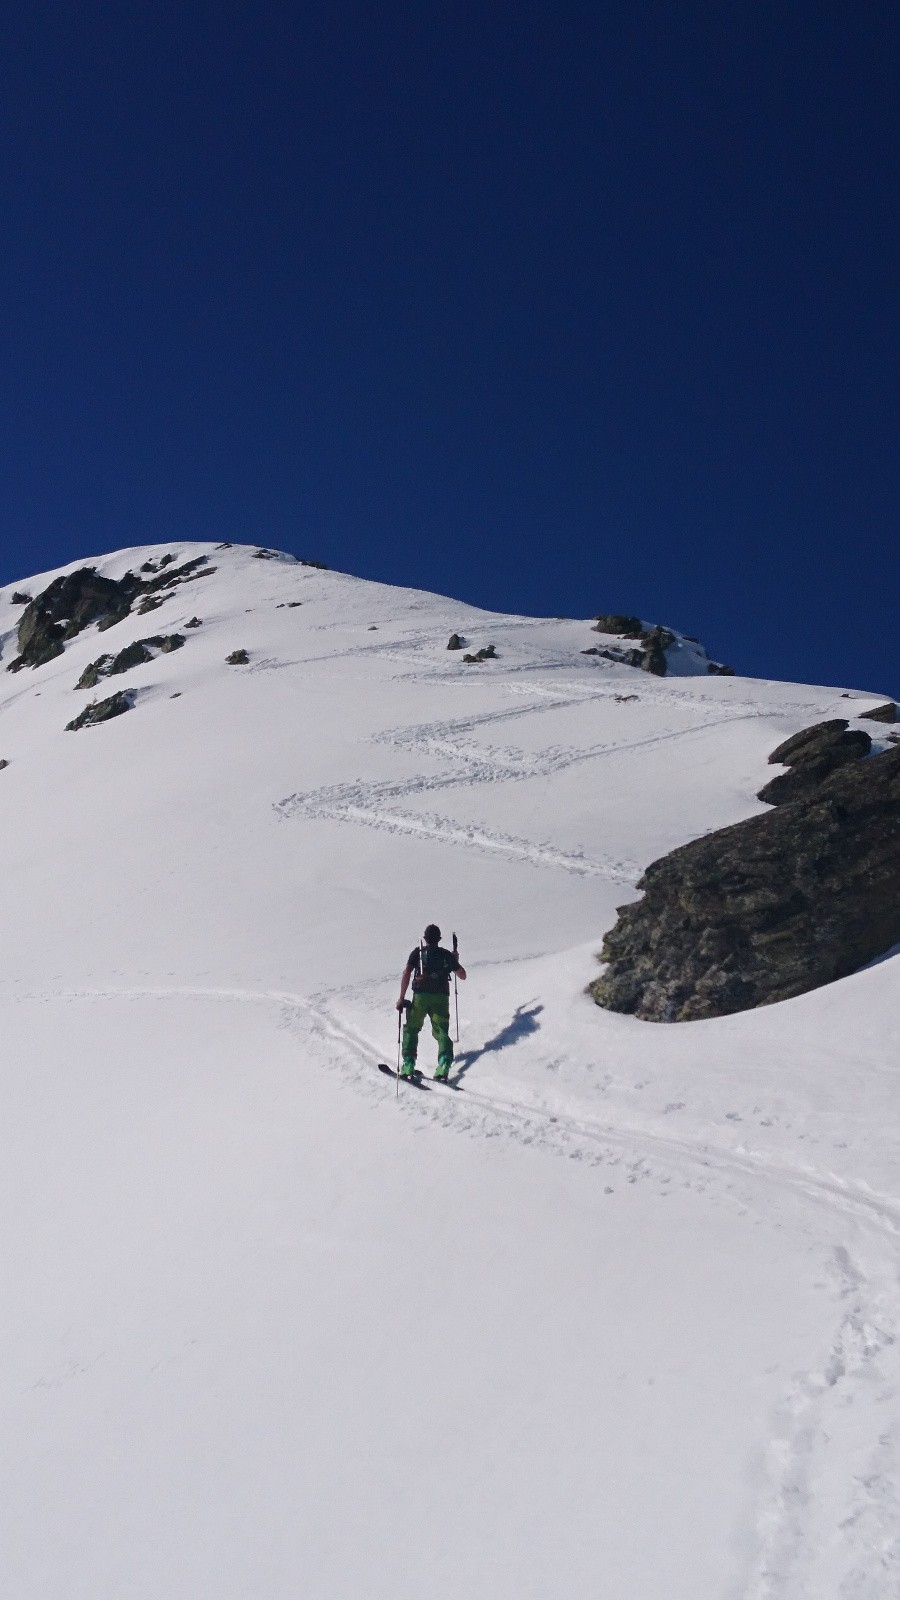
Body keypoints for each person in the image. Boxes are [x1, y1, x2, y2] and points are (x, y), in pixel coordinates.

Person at [396, 924, 466, 1080]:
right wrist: (455, 961)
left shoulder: (418, 953)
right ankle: (444, 1064)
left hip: (421, 995)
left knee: (412, 1028)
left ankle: (408, 1063)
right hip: (441, 996)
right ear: (439, 939)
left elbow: (407, 973)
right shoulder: (445, 954)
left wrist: (401, 997)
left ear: (425, 938)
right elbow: (462, 975)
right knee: (441, 1030)